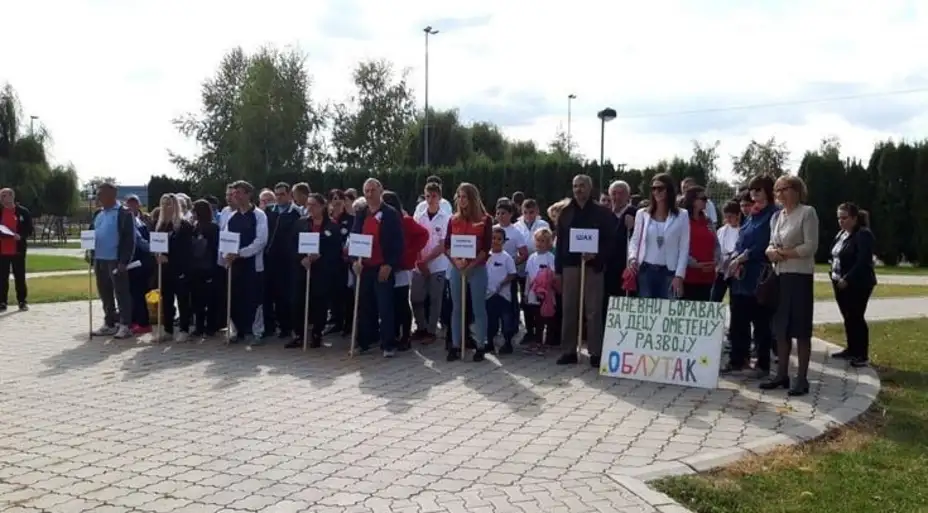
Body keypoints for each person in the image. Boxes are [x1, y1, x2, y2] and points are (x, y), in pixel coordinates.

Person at [761, 175, 819, 396]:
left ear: (796, 190)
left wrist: (782, 253)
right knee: (780, 328)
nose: (780, 194)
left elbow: (810, 247)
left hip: (800, 277)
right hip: (780, 277)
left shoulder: (807, 213)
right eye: (777, 190)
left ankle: (802, 378)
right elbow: (770, 243)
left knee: (801, 329)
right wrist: (770, 252)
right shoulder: (777, 217)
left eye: (784, 189)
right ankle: (781, 374)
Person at [555, 174, 616, 367]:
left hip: (593, 267)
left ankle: (596, 352)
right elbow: (560, 243)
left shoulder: (602, 213)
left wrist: (597, 255)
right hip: (571, 266)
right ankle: (568, 351)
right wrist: (558, 270)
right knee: (569, 308)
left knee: (594, 310)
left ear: (590, 188)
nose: (578, 189)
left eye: (582, 186)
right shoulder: (565, 212)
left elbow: (610, 241)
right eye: (575, 186)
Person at [724, 176, 777, 376]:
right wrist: (735, 257)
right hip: (741, 276)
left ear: (768, 192)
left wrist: (743, 257)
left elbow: (765, 242)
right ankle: (738, 360)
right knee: (738, 319)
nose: (754, 193)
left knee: (761, 321)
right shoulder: (752, 214)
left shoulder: (773, 214)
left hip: (758, 275)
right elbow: (741, 239)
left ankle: (763, 364)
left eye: (759, 190)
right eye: (752, 189)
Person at [351, 179, 404, 357]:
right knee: (364, 307)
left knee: (385, 307)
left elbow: (398, 242)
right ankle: (363, 342)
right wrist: (354, 262)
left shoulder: (390, 214)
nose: (369, 194)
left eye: (373, 190)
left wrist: (389, 264)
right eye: (366, 190)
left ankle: (388, 344)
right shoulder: (361, 213)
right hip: (364, 267)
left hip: (382, 267)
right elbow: (354, 238)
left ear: (380, 191)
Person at [445, 182, 493, 362]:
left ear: (472, 198)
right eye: (459, 196)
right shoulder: (453, 219)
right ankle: (456, 345)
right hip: (458, 269)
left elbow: (486, 248)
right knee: (456, 307)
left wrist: (471, 265)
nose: (461, 200)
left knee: (479, 307)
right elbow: (447, 245)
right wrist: (456, 263)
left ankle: (481, 344)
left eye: (464, 196)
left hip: (477, 268)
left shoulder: (485, 220)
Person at [289, 193, 342, 349]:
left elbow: (335, 249)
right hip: (302, 269)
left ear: (322, 206)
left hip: (322, 271)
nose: (310, 208)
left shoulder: (332, 226)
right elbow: (292, 245)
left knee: (319, 302)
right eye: (308, 205)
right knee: (297, 301)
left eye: (314, 205)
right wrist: (301, 258)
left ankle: (317, 333)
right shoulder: (300, 224)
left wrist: (321, 256)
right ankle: (298, 334)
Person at [627, 173, 690, 300]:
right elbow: (635, 240)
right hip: (646, 270)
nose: (656, 192)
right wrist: (632, 258)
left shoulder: (682, 215)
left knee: (668, 314)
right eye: (653, 188)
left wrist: (679, 276)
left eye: (660, 188)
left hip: (670, 272)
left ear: (669, 190)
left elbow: (684, 247)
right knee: (646, 312)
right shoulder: (642, 214)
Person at [830, 202, 876, 367]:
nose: (841, 221)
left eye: (845, 218)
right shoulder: (841, 234)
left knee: (856, 316)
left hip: (858, 283)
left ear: (855, 218)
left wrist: (848, 279)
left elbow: (863, 261)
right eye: (839, 218)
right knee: (848, 317)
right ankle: (851, 349)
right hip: (838, 281)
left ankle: (861, 354)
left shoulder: (863, 235)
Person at [222, 180, 268, 346]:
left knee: (254, 299)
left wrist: (241, 253)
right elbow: (225, 239)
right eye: (234, 193)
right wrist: (226, 255)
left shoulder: (259, 215)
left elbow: (261, 241)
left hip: (253, 265)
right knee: (235, 298)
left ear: (248, 194)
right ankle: (238, 330)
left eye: (239, 193)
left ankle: (256, 331)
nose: (236, 196)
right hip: (235, 266)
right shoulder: (232, 217)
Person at [381, 190, 428, 351]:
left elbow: (423, 234)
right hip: (386, 266)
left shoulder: (405, 221)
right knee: (390, 303)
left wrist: (410, 251)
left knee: (401, 302)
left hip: (401, 268)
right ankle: (392, 333)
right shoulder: (380, 220)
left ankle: (405, 335)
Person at [89, 183, 136, 339]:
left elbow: (130, 239)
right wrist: (89, 251)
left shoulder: (124, 213)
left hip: (115, 260)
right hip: (99, 258)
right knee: (105, 293)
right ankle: (109, 323)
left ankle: (125, 325)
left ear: (111, 195)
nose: (98, 197)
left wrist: (124, 260)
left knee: (121, 293)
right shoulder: (98, 214)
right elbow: (91, 233)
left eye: (100, 194)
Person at [411, 181, 451, 344]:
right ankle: (421, 327)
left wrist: (427, 261)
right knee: (416, 298)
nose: (430, 199)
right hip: (419, 264)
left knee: (435, 299)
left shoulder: (446, 218)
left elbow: (442, 245)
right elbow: (416, 239)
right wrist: (421, 261)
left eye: (433, 196)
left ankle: (431, 331)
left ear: (439, 197)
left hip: (438, 265)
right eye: (427, 196)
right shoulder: (419, 216)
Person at [263, 182, 302, 340]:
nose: (279, 198)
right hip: (270, 258)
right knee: (269, 294)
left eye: (282, 194)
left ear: (289, 195)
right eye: (277, 194)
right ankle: (271, 325)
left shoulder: (296, 213)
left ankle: (288, 326)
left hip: (288, 260)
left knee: (286, 295)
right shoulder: (268, 212)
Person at [153, 194, 195, 342]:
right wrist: (157, 255)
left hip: (180, 268)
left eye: (169, 204)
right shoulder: (161, 225)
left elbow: (186, 250)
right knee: (167, 300)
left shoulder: (184, 225)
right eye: (163, 204)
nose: (166, 207)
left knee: (183, 299)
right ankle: (167, 329)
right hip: (164, 270)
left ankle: (184, 329)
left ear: (176, 205)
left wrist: (170, 258)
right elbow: (156, 245)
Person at [513, 198, 550, 342]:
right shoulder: (517, 226)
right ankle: (529, 331)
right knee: (526, 300)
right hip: (524, 268)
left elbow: (547, 243)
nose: (528, 215)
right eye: (526, 212)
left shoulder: (543, 224)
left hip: (541, 269)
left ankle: (540, 332)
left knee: (540, 302)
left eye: (531, 212)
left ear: (537, 211)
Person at [602, 181, 637, 331]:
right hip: (607, 268)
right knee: (607, 304)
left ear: (628, 195)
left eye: (621, 193)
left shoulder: (635, 213)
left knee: (626, 303)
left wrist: (634, 225)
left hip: (626, 268)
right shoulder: (605, 216)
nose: (617, 197)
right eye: (614, 193)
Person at [493, 200, 528, 332]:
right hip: (493, 273)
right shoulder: (492, 230)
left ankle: (511, 329)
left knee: (511, 302)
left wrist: (511, 264)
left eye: (504, 213)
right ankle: (493, 329)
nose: (501, 216)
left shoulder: (516, 232)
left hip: (509, 273)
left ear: (510, 214)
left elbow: (524, 253)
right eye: (498, 213)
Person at [680, 186, 719, 301]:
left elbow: (716, 243)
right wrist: (694, 264)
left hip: (708, 277)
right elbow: (678, 246)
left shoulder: (708, 221)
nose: (706, 201)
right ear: (692, 200)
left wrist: (715, 261)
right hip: (688, 277)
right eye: (703, 198)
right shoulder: (682, 220)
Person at [190, 199, 221, 337]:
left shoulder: (210, 228)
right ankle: (206, 326)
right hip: (204, 267)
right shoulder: (197, 226)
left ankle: (205, 326)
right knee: (203, 299)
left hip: (206, 267)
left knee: (205, 299)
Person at [524, 228, 557, 354]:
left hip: (547, 294)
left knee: (547, 318)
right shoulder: (532, 257)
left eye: (543, 241)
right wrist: (526, 293)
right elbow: (528, 277)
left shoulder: (551, 257)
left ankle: (547, 342)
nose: (539, 243)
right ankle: (537, 341)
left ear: (549, 243)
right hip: (533, 292)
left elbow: (553, 275)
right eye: (538, 240)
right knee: (536, 317)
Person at [486, 226, 518, 352]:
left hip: (503, 295)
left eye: (499, 239)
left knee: (506, 320)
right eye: (493, 238)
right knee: (490, 321)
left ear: (504, 241)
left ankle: (508, 343)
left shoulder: (507, 257)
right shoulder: (486, 256)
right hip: (488, 295)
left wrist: (502, 284)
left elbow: (512, 274)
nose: (495, 241)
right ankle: (489, 342)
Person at [326, 189, 354, 336]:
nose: (336, 201)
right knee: (333, 294)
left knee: (347, 294)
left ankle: (348, 324)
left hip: (345, 263)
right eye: (333, 198)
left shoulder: (350, 220)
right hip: (329, 263)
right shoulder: (326, 220)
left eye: (339, 198)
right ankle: (336, 322)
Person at [0, 188, 33, 312]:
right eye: (1, 196)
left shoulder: (23, 212)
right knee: (2, 277)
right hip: (2, 250)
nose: (2, 198)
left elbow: (29, 229)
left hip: (17, 249)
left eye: (4, 195)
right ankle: (2, 302)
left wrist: (21, 236)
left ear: (11, 196)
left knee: (19, 276)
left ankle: (22, 301)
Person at [127, 207, 154, 335]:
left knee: (138, 293)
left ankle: (143, 323)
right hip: (135, 264)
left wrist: (154, 250)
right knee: (133, 293)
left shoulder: (135, 225)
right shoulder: (138, 223)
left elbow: (141, 243)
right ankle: (135, 320)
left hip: (139, 265)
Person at [711, 201, 742, 302]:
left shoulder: (742, 230)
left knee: (735, 300)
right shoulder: (722, 231)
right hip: (721, 268)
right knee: (715, 297)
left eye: (731, 216)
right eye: (726, 216)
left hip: (735, 269)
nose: (728, 219)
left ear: (738, 214)